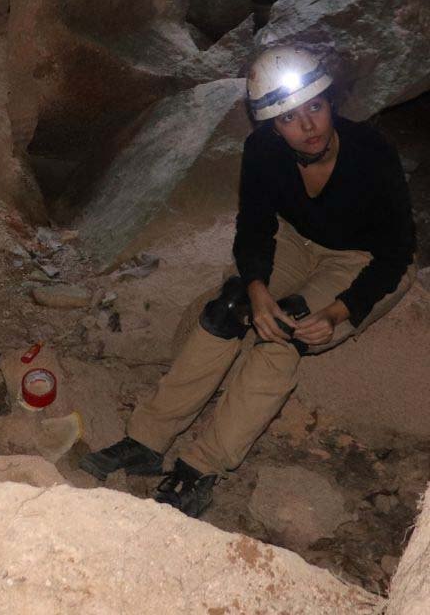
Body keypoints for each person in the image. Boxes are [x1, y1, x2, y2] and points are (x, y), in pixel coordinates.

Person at [80, 44, 417, 516]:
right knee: (231, 308)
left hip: (363, 259)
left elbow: (397, 252)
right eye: (288, 119)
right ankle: (147, 439)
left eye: (315, 108)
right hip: (299, 241)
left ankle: (200, 467)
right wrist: (257, 288)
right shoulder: (262, 151)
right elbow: (255, 226)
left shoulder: (371, 153)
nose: (308, 127)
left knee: (284, 335)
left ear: (330, 103)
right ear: (270, 126)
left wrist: (341, 311)